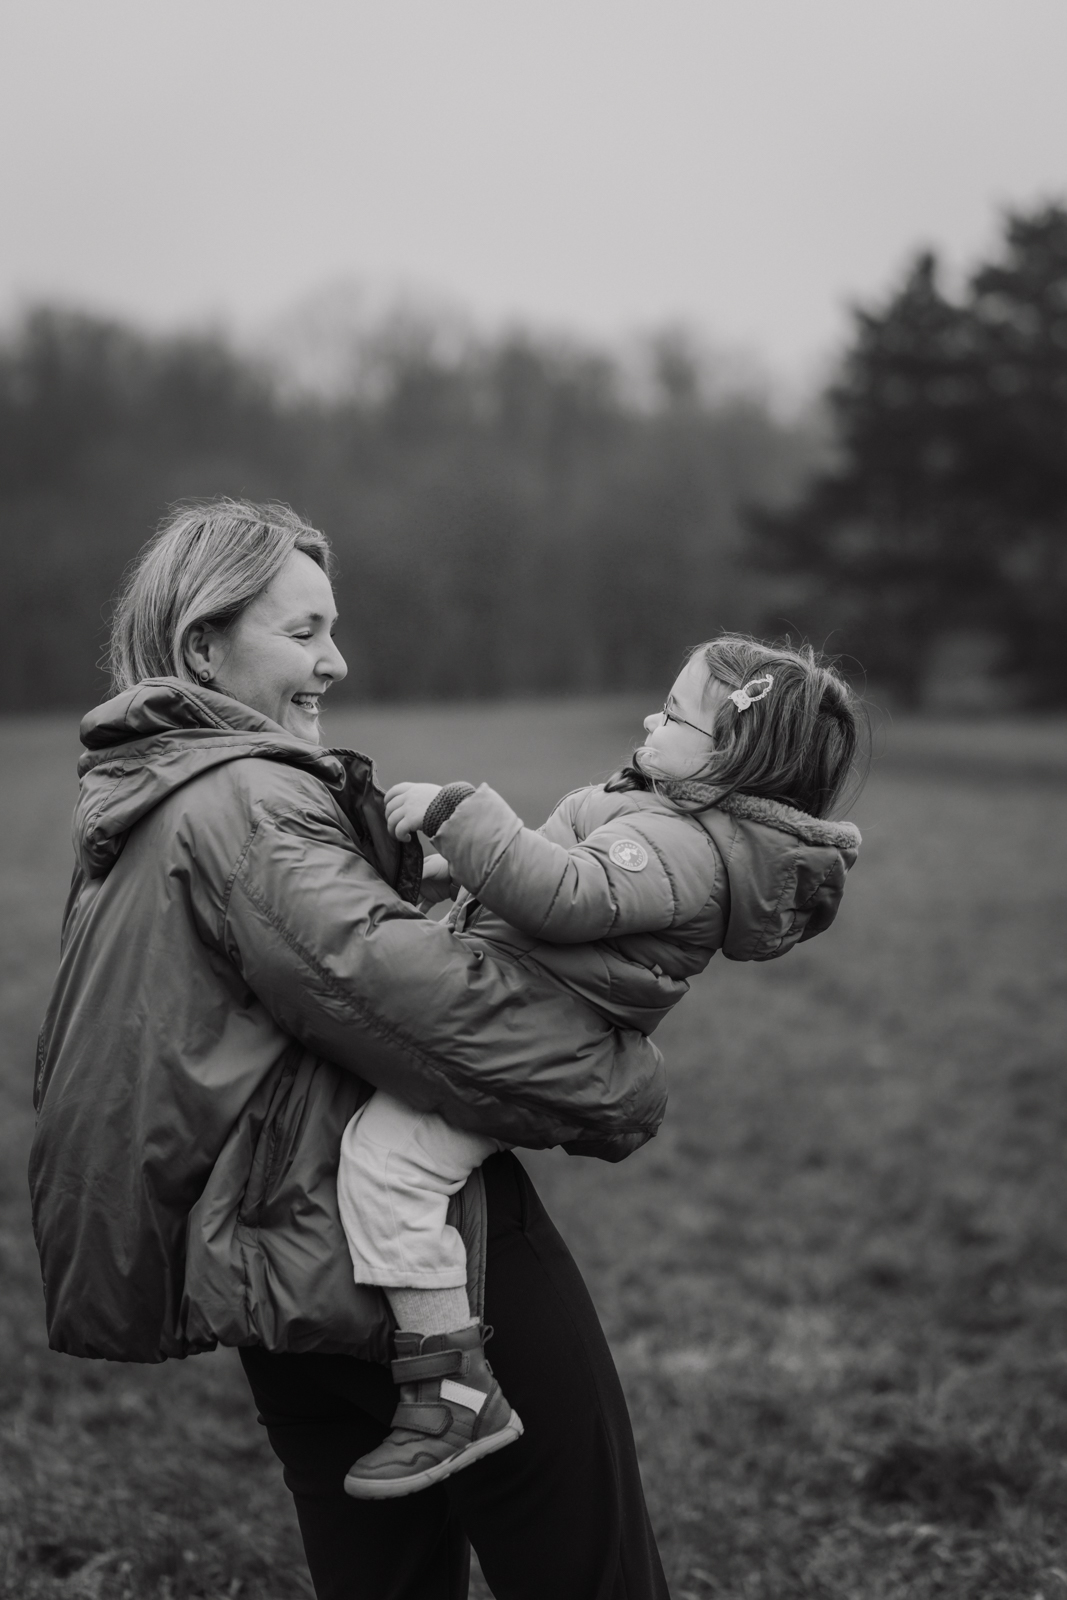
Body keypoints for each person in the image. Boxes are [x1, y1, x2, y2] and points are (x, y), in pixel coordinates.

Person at [29, 499, 672, 1600]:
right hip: (425, 1269)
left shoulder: (145, 804)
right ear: (202, 647)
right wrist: (620, 1083)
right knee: (590, 1573)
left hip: (275, 1281)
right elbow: (409, 1005)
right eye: (303, 631)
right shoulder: (249, 801)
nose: (336, 659)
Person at [337, 636, 864, 1498]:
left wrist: (458, 812)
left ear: (727, 755)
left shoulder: (686, 850)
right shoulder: (667, 818)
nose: (652, 719)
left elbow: (563, 896)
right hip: (512, 1010)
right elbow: (540, 890)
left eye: (676, 713)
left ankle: (451, 1390)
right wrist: (448, 872)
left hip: (526, 1043)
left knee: (387, 1161)